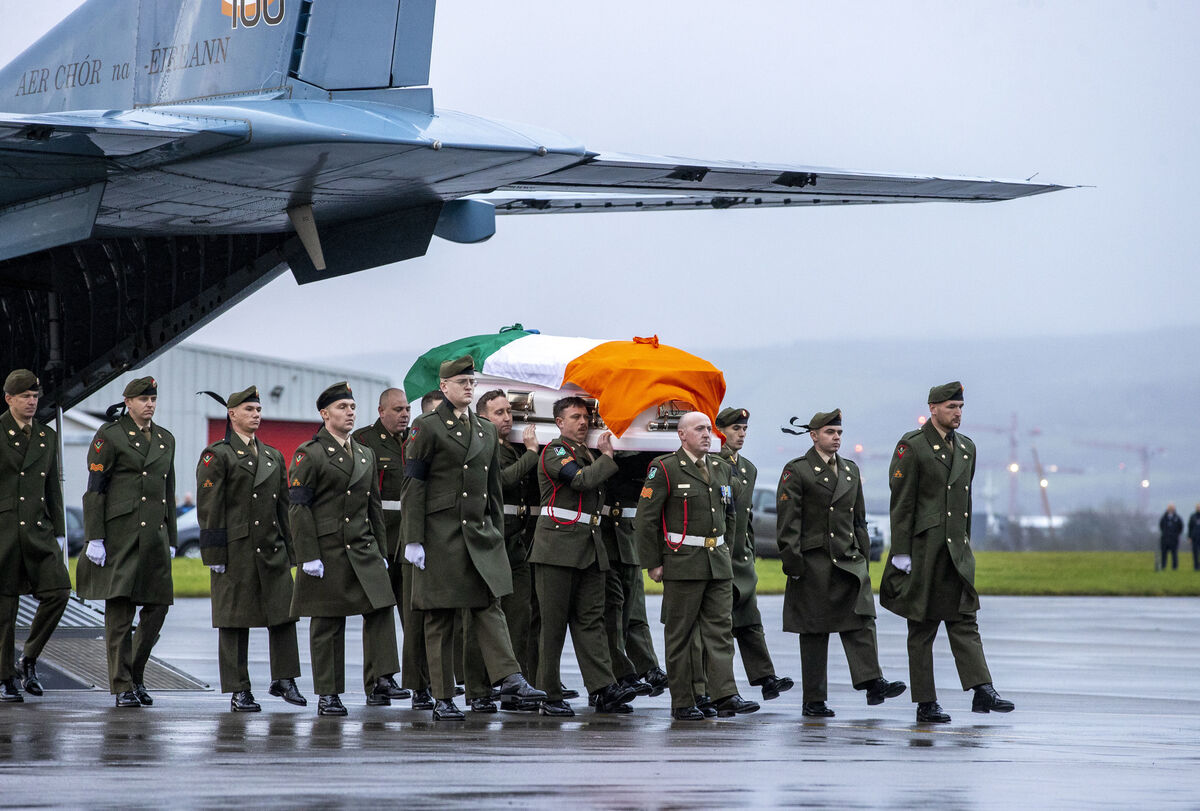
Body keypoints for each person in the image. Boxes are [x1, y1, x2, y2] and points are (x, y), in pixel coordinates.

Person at [401, 356, 545, 720]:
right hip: (440, 534)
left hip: (479, 534)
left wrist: (494, 530)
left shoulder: (483, 429)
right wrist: (413, 539)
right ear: (444, 387)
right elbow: (414, 484)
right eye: (461, 382)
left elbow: (492, 488)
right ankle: (443, 697)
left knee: (487, 605)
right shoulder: (427, 426)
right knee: (441, 619)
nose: (468, 386)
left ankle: (509, 676)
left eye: (471, 381)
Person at [880, 382, 1014, 724]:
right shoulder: (912, 446)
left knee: (964, 619)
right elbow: (902, 501)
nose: (957, 413)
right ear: (933, 408)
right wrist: (901, 551)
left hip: (955, 551)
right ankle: (926, 703)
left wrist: (964, 544)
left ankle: (983, 690)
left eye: (960, 407)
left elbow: (963, 505)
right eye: (951, 407)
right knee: (922, 626)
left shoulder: (966, 447)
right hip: (924, 550)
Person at [775, 408, 905, 717]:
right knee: (814, 632)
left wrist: (861, 554)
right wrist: (794, 564)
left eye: (839, 433)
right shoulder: (798, 471)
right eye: (830, 433)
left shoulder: (849, 470)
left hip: (848, 562)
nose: (836, 438)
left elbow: (858, 519)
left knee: (861, 621)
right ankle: (814, 700)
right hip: (813, 562)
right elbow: (788, 523)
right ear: (814, 435)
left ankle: (873, 683)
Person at [635, 410, 759, 720]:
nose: (707, 434)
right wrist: (653, 562)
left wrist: (726, 551)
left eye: (708, 429)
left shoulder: (719, 468)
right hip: (682, 562)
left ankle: (725, 694)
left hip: (716, 562)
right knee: (681, 635)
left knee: (719, 631)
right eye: (700, 429)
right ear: (682, 435)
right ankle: (683, 701)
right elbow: (646, 519)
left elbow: (730, 514)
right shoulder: (663, 469)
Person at [287, 382, 400, 716]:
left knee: (381, 606)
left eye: (352, 407)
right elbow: (298, 507)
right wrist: (307, 555)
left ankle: (382, 677)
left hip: (362, 546)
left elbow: (373, 505)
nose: (350, 412)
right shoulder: (309, 453)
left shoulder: (364, 452)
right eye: (342, 407)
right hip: (328, 549)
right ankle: (328, 693)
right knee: (327, 623)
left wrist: (380, 547)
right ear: (325, 414)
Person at [196, 386, 304, 712]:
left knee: (283, 613)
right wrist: (214, 553)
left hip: (271, 548)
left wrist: (292, 552)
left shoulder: (272, 455)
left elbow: (283, 507)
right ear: (232, 415)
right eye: (249, 410)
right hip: (237, 548)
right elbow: (209, 507)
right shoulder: (217, 455)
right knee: (234, 620)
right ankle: (238, 688)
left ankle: (284, 678)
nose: (256, 415)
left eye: (258, 410)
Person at [530, 396, 638, 717]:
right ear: (559, 423)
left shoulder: (588, 453)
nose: (582, 422)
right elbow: (580, 481)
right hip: (557, 549)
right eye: (575, 417)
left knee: (592, 622)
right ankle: (548, 695)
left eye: (585, 417)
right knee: (552, 627)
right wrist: (607, 456)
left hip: (590, 549)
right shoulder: (556, 451)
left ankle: (603, 688)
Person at [76, 376, 178, 708]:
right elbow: (95, 488)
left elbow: (168, 491)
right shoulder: (110, 435)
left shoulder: (165, 439)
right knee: (120, 612)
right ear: (128, 402)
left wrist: (172, 537)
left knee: (158, 607)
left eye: (153, 399)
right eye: (143, 399)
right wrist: (95, 537)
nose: (149, 404)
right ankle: (122, 686)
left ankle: (134, 672)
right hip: (120, 536)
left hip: (154, 538)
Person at [0, 370, 70, 703]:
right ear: (9, 399)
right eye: (26, 396)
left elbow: (52, 487)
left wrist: (58, 531)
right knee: (5, 607)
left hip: (39, 530)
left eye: (35, 396)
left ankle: (28, 658)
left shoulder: (46, 436)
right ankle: (5, 677)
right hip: (5, 531)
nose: (32, 402)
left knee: (59, 592)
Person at [715, 407, 793, 703]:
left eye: (744, 429)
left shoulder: (747, 468)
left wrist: (748, 548)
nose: (742, 434)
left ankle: (765, 676)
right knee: (719, 627)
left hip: (740, 556)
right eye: (736, 429)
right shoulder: (711, 463)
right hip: (717, 553)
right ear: (719, 431)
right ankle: (720, 690)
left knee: (749, 618)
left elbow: (745, 516)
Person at [472, 389, 539, 711]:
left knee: (519, 616)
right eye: (499, 413)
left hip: (518, 541)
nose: (508, 418)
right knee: (487, 616)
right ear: (483, 417)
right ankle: (481, 687)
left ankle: (516, 685)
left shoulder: (508, 447)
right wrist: (531, 453)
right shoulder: (483, 447)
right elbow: (502, 481)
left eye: (509, 412)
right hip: (494, 539)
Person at [351, 387, 414, 703]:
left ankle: (419, 682)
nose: (405, 414)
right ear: (381, 411)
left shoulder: (412, 441)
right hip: (380, 540)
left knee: (414, 612)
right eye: (398, 409)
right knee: (378, 612)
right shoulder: (364, 442)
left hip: (409, 541)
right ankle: (377, 682)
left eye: (407, 409)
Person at [601, 451, 669, 698]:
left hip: (629, 538)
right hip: (605, 536)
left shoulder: (647, 459)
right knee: (613, 614)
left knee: (635, 611)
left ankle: (647, 668)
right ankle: (617, 676)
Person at [1159, 504, 1184, 571]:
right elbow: (1161, 526)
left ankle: (1174, 567)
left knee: (1174, 554)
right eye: (1169, 508)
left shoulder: (1177, 518)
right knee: (1164, 554)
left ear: (1174, 509)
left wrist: (1175, 534)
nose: (1170, 509)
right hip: (1165, 539)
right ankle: (1163, 566)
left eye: (1171, 508)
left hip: (1174, 539)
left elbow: (1180, 527)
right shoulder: (1164, 518)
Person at [1189, 504, 1200, 572]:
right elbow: (1190, 527)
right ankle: (1196, 567)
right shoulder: (1193, 516)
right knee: (1195, 553)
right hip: (1195, 537)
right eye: (1198, 507)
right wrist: (1189, 536)